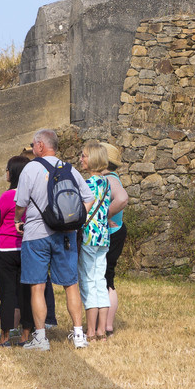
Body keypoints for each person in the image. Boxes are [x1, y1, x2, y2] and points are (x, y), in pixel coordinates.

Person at [16, 128, 93, 350]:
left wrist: (16, 220)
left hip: (36, 235)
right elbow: (87, 198)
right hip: (66, 234)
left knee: (37, 287)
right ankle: (79, 335)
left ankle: (40, 338)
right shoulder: (69, 168)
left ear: (41, 145)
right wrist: (76, 219)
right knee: (71, 284)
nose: (32, 149)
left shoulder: (30, 168)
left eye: (33, 145)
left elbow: (21, 203)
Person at [77, 142, 118, 343]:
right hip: (103, 236)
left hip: (89, 237)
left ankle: (91, 331)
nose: (81, 159)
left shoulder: (87, 184)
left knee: (88, 282)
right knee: (100, 281)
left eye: (84, 156)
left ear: (91, 159)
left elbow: (81, 211)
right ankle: (102, 330)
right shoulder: (106, 183)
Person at [0, 154, 32, 345]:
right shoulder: (32, 195)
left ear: (13, 172)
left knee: (7, 293)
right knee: (26, 292)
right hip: (27, 248)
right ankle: (26, 334)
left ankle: (5, 336)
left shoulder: (8, 196)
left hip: (6, 249)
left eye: (7, 169)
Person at [99, 142, 129, 339]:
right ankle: (106, 325)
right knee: (107, 277)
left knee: (106, 277)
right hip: (116, 231)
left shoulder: (109, 179)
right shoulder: (112, 177)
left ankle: (107, 325)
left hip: (112, 232)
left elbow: (122, 199)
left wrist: (103, 214)